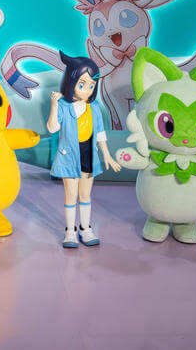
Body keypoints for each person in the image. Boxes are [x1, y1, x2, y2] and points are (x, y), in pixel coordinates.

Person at [47, 51, 121, 248]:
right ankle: (70, 232)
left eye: (91, 85)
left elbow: (100, 133)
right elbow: (52, 128)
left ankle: (85, 229)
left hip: (89, 155)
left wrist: (107, 155)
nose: (87, 90)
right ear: (71, 81)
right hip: (68, 157)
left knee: (86, 195)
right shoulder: (63, 105)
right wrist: (54, 105)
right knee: (71, 196)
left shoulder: (94, 107)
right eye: (82, 84)